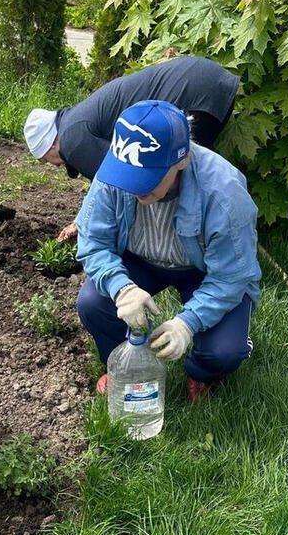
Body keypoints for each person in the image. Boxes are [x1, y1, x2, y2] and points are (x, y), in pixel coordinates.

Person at [75, 100, 260, 402]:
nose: (135, 188)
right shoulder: (117, 170)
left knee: (225, 351)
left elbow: (231, 277)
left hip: (203, 270)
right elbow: (93, 240)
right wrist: (121, 288)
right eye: (128, 177)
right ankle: (121, 360)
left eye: (147, 178)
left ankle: (202, 372)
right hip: (140, 260)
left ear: (182, 160)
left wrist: (186, 324)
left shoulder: (224, 193)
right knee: (93, 302)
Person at [24, 56, 240, 240]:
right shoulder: (74, 123)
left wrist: (88, 227)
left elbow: (121, 184)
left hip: (198, 95)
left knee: (177, 179)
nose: (52, 165)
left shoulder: (72, 142)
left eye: (45, 159)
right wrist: (81, 219)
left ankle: (193, 252)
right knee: (174, 176)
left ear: (51, 143)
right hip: (204, 79)